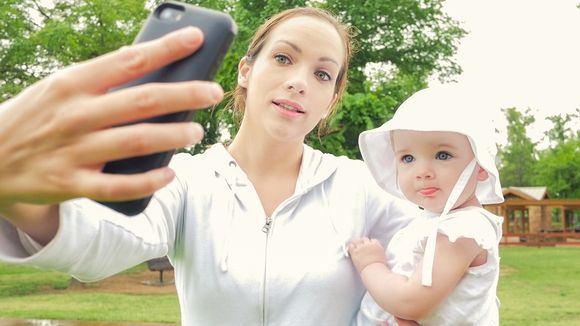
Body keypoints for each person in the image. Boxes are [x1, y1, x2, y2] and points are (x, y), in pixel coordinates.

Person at [0, 7, 415, 325]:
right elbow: (102, 241)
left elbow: (447, 251)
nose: (300, 81)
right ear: (246, 71)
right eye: (285, 59)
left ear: (331, 100)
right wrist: (20, 195)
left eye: (323, 74)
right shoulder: (185, 179)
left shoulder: (363, 186)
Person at [349, 85, 505, 325]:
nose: (422, 172)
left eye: (442, 155)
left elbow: (410, 303)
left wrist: (371, 264)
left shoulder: (463, 229)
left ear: (481, 166)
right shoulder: (432, 221)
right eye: (407, 158)